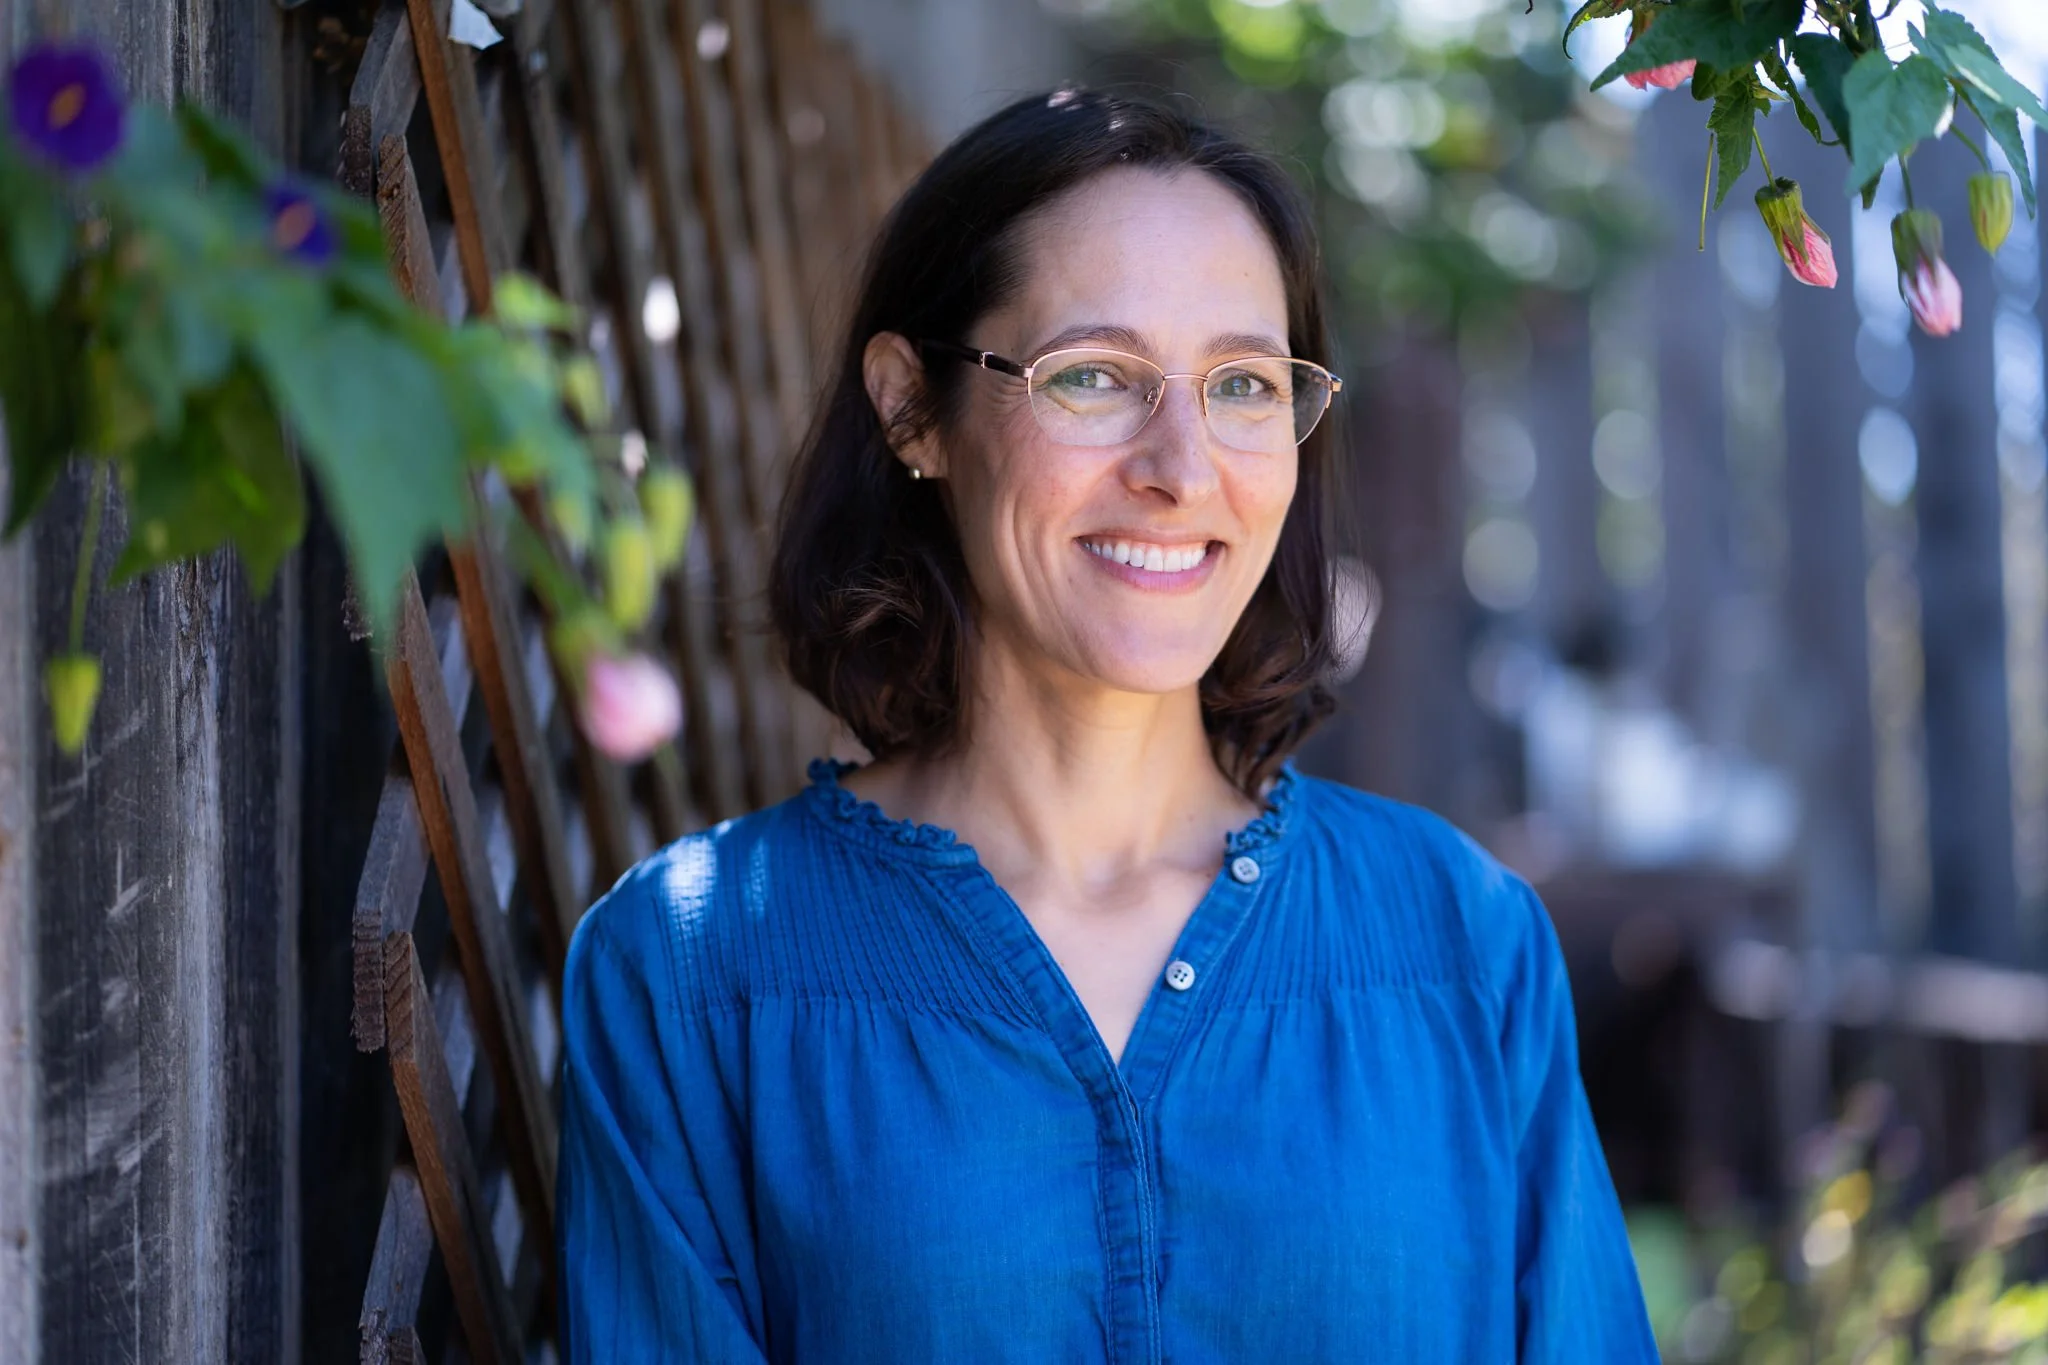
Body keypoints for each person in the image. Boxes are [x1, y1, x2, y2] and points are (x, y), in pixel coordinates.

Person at [556, 87, 1657, 1363]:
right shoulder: (691, 973)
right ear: (913, 410)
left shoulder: (1459, 943)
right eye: (1093, 375)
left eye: (1241, 383)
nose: (1182, 466)